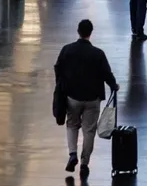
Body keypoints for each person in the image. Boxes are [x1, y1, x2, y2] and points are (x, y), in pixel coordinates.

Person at [54, 19, 120, 181]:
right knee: (89, 130)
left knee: (72, 125)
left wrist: (62, 85)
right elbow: (107, 74)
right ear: (90, 33)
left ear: (78, 31)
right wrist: (114, 85)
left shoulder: (67, 50)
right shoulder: (98, 54)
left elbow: (58, 68)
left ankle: (72, 154)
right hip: (92, 98)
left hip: (72, 97)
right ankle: (84, 163)